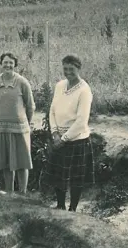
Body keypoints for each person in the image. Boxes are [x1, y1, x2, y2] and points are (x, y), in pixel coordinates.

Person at [46, 54, 95, 212]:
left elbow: (81, 121)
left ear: (78, 69)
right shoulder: (60, 86)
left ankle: (73, 209)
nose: (68, 72)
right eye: (65, 69)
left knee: (76, 177)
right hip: (58, 137)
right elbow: (52, 110)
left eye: (71, 69)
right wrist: (54, 133)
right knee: (59, 175)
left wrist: (64, 138)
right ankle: (60, 205)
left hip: (76, 140)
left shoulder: (84, 90)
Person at [0, 52, 35, 193]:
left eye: (11, 62)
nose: (8, 65)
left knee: (22, 162)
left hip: (20, 129)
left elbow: (30, 105)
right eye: (5, 62)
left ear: (15, 64)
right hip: (1, 128)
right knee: (6, 162)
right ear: (1, 64)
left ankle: (23, 192)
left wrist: (25, 123)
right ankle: (9, 193)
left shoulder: (22, 82)